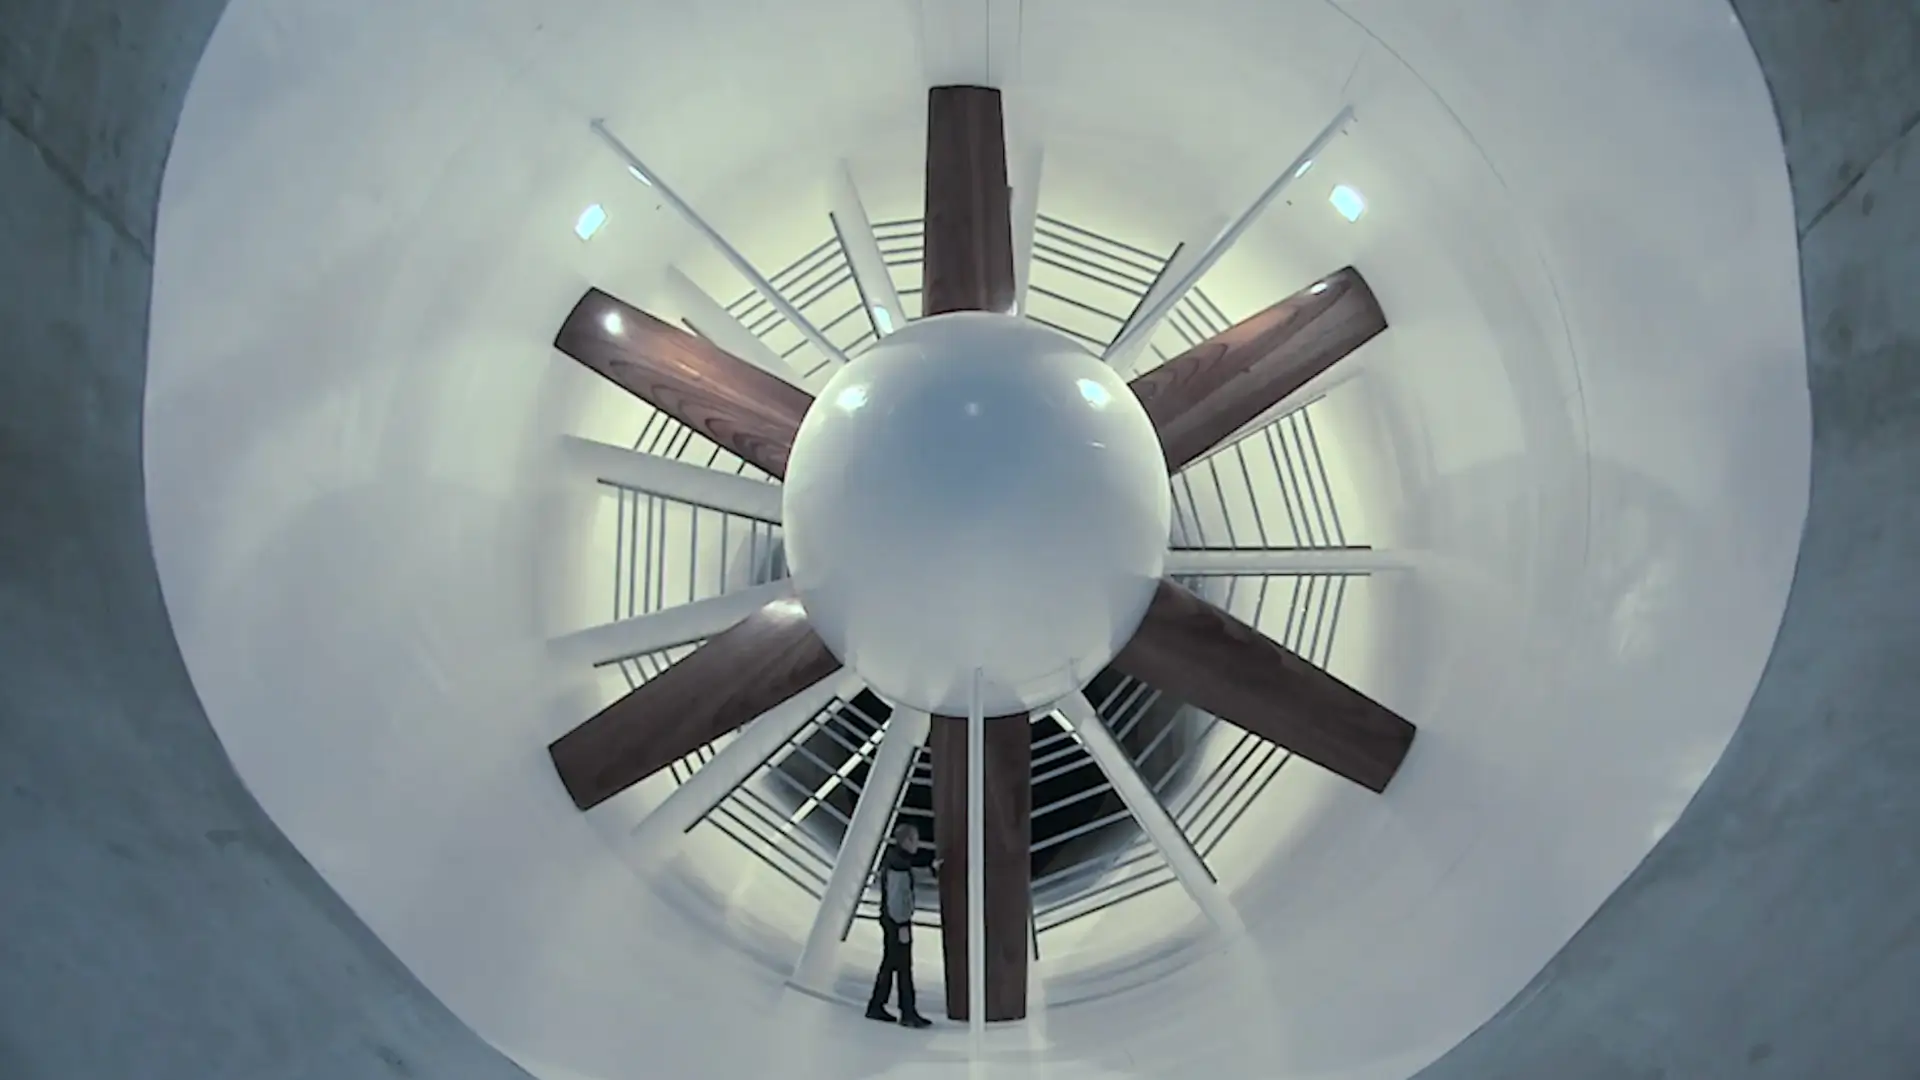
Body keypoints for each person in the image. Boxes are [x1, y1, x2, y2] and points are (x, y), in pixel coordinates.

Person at [867, 823, 940, 1028]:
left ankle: (877, 1005)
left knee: (891, 964)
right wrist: (902, 926)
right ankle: (907, 1012)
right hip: (897, 923)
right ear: (907, 841)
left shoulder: (897, 861)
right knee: (903, 968)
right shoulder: (899, 865)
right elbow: (897, 898)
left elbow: (911, 874)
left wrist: (930, 869)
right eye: (915, 840)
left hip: (890, 920)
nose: (917, 844)